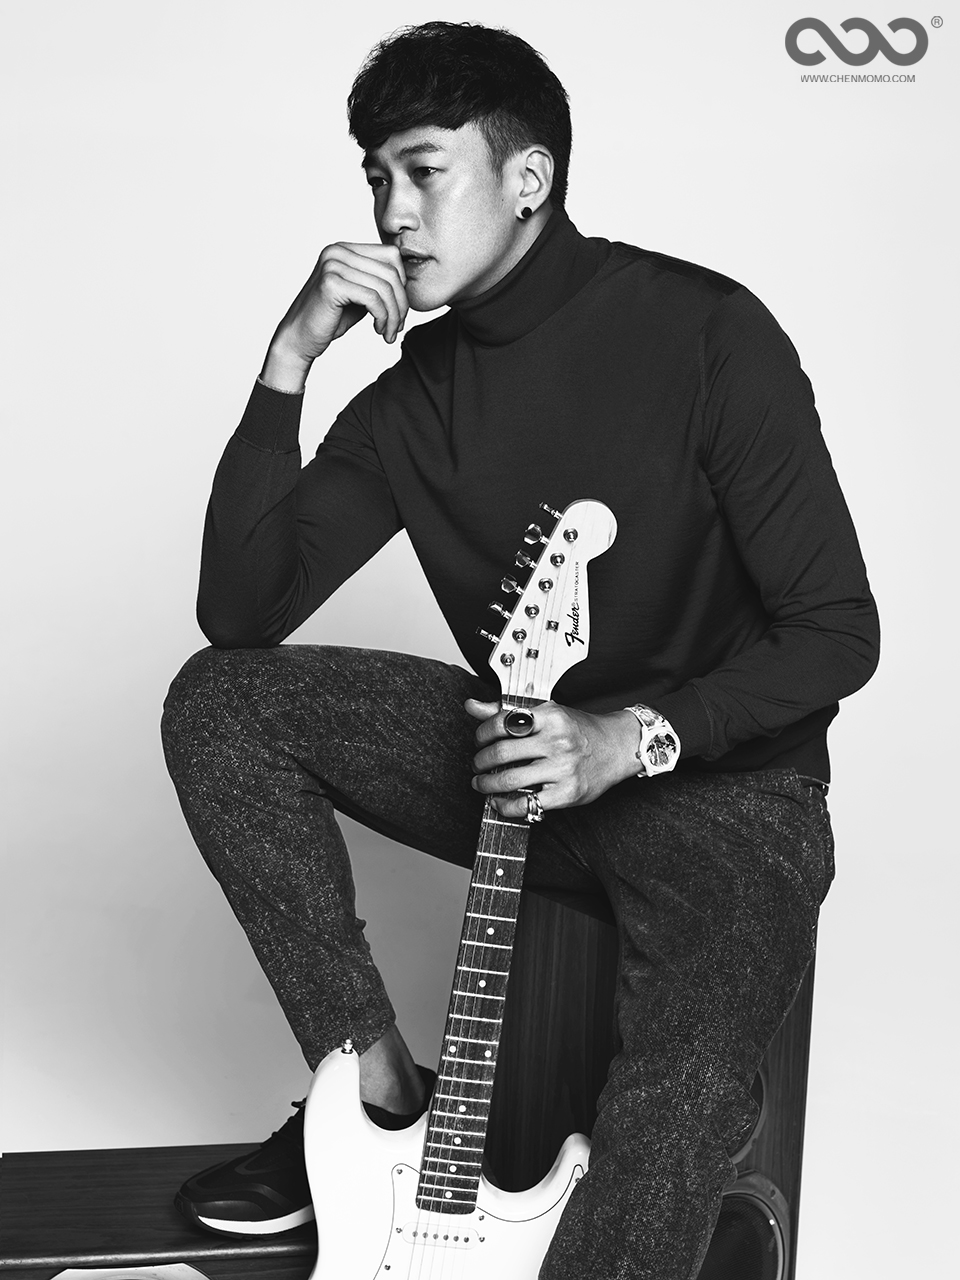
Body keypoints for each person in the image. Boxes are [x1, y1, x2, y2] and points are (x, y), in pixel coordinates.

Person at [160, 20, 879, 1279]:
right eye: (375, 178)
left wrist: (630, 737)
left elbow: (838, 630)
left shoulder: (707, 333)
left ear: (528, 176)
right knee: (220, 703)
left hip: (732, 801)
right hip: (519, 773)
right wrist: (287, 362)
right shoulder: (413, 397)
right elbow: (243, 609)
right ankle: (376, 1093)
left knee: (679, 1096)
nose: (391, 213)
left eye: (423, 171)